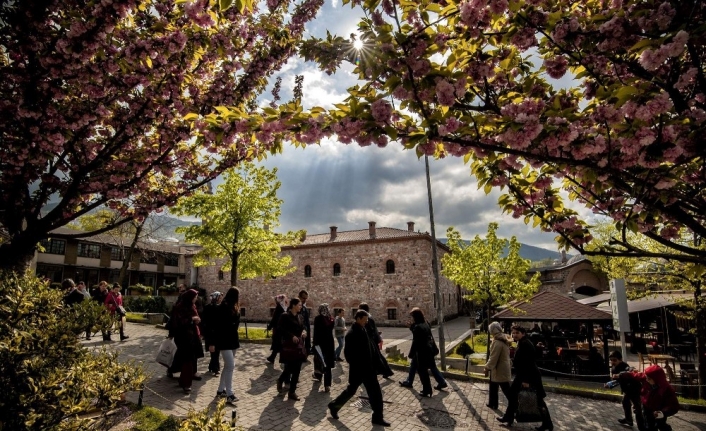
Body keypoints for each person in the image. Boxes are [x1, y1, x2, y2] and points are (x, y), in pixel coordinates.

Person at [328, 310, 391, 427]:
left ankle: (377, 417)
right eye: (364, 319)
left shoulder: (363, 329)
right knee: (354, 391)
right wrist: (361, 366)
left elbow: (370, 347)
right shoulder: (352, 334)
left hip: (368, 369)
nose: (366, 321)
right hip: (361, 370)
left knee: (374, 393)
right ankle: (334, 406)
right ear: (358, 319)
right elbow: (348, 355)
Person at [498, 325, 553, 431]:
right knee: (513, 395)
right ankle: (509, 416)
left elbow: (528, 363)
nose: (514, 335)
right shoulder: (523, 343)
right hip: (523, 375)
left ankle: (547, 423)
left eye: (517, 333)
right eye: (513, 333)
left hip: (529, 376)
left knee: (538, 400)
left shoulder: (525, 344)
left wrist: (526, 381)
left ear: (523, 333)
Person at [618, 365, 680, 431]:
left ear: (656, 379)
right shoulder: (646, 379)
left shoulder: (666, 389)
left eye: (649, 378)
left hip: (658, 411)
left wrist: (662, 412)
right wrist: (623, 374)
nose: (647, 379)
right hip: (646, 407)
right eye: (646, 377)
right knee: (647, 426)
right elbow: (636, 375)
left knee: (660, 424)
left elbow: (674, 406)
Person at [209, 287, 240, 405]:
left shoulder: (233, 307)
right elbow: (215, 326)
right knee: (231, 366)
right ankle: (229, 394)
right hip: (224, 340)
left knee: (227, 366)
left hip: (232, 339)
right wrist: (212, 342)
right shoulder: (223, 307)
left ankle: (220, 390)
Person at [170, 289, 204, 393]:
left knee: (189, 359)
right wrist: (192, 319)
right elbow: (179, 322)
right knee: (187, 360)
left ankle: (183, 380)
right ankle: (186, 384)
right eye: (194, 297)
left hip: (193, 336)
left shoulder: (192, 306)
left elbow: (196, 317)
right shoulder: (180, 307)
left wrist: (197, 320)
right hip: (183, 336)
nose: (196, 299)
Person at [277, 297, 306, 401]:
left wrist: (303, 332)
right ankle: (280, 380)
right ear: (293, 305)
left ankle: (292, 392)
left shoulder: (300, 317)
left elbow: (302, 327)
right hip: (288, 346)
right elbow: (280, 329)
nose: (300, 307)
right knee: (289, 368)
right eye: (299, 305)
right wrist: (291, 336)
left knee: (297, 369)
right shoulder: (285, 316)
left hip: (298, 346)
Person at [605, 350, 643, 429]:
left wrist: (619, 375)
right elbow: (617, 381)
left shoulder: (624, 366)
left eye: (614, 360)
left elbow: (629, 370)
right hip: (627, 389)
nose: (612, 362)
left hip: (634, 389)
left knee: (637, 407)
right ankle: (628, 420)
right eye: (611, 360)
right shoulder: (613, 368)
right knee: (625, 402)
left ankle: (642, 426)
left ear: (620, 359)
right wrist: (610, 385)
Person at [359, 302, 394, 378]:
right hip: (373, 340)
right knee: (378, 356)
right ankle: (387, 371)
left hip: (372, 341)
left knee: (377, 357)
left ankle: (385, 371)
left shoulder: (368, 318)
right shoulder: (369, 317)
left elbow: (370, 330)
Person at [407, 307, 436, 397]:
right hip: (428, 350)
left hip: (422, 352)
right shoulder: (425, 323)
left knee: (422, 371)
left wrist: (411, 354)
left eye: (412, 316)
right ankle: (428, 390)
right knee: (424, 371)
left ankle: (427, 390)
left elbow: (416, 341)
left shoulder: (418, 327)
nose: (412, 318)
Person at [484, 321, 512, 409]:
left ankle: (515, 405)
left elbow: (493, 357)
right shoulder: (502, 339)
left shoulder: (497, 342)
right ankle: (493, 403)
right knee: (493, 386)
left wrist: (487, 368)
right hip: (499, 368)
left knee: (506, 389)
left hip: (500, 369)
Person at [313, 303, 336, 392]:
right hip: (329, 343)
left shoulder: (318, 319)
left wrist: (314, 343)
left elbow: (316, 332)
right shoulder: (331, 319)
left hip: (320, 343)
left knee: (319, 360)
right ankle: (327, 385)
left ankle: (318, 376)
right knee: (328, 364)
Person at [202, 291, 222, 376]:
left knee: (214, 351)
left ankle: (211, 367)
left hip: (210, 332)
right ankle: (215, 369)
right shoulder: (217, 308)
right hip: (213, 332)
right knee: (215, 351)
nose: (220, 299)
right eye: (219, 297)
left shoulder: (207, 307)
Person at [266, 294, 287, 363]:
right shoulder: (284, 308)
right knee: (279, 344)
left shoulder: (278, 308)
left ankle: (276, 358)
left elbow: (274, 319)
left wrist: (269, 327)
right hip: (282, 328)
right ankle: (272, 357)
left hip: (278, 329)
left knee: (277, 343)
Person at [298, 290, 312, 354]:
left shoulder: (304, 309)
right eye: (303, 298)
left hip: (303, 332)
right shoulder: (292, 308)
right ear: (299, 297)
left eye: (306, 298)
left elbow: (307, 322)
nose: (305, 300)